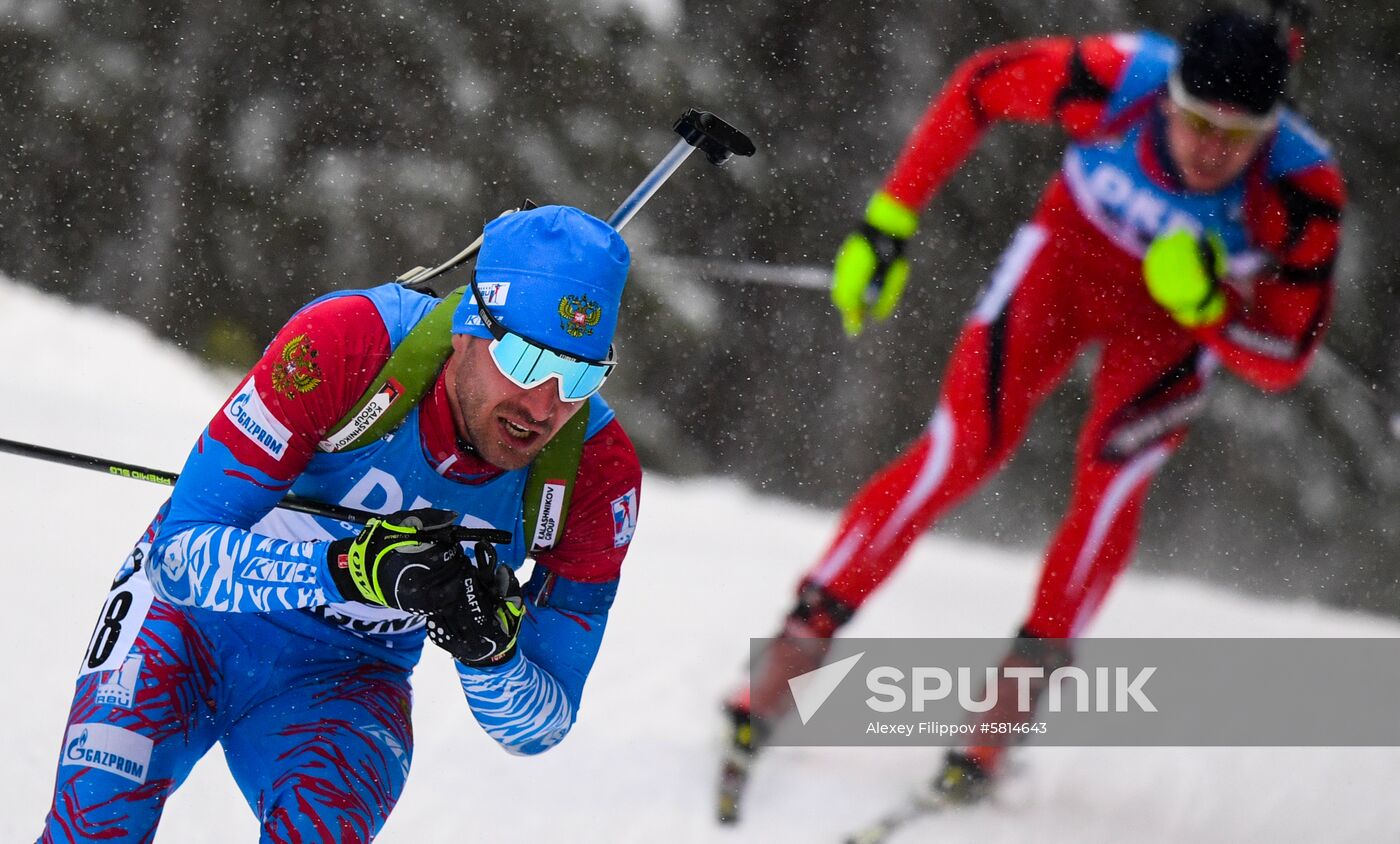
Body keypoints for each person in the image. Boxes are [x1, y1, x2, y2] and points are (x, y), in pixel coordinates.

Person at [722, 4, 1344, 815]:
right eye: (1195, 121)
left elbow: (1286, 359)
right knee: (961, 449)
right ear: (1170, 99)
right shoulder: (1122, 77)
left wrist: (1212, 312)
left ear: (1272, 128)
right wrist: (890, 220)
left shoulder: (1302, 187)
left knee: (1109, 490)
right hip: (1063, 268)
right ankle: (796, 647)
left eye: (1238, 134)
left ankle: (1008, 705)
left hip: (1168, 334)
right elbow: (980, 86)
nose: (1210, 149)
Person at [40, 205, 643, 841]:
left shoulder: (597, 475)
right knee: (93, 830)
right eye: (523, 362)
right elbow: (178, 559)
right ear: (470, 328)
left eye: (580, 375)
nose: (545, 405)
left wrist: (488, 653)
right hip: (186, 630)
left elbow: (538, 731)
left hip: (349, 675)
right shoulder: (349, 342)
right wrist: (352, 568)